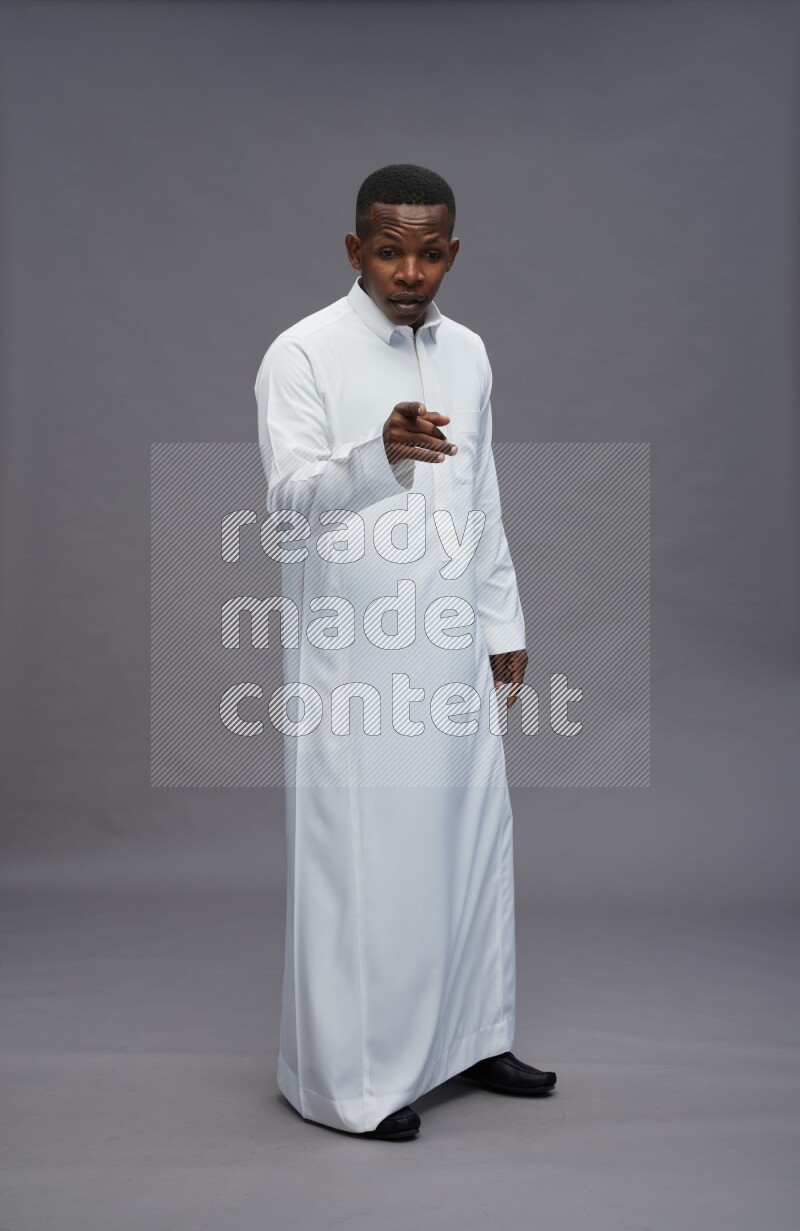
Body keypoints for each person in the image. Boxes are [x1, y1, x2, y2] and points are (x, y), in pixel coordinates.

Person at [254, 164, 557, 1141]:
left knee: (467, 841)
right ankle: (351, 1082)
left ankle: (473, 1036)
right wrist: (373, 458)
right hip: (357, 665)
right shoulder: (301, 354)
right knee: (367, 864)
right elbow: (287, 506)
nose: (410, 269)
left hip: (453, 645)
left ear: (453, 254)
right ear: (354, 250)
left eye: (430, 251)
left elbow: (481, 498)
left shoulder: (467, 354)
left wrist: (502, 623)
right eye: (389, 248)